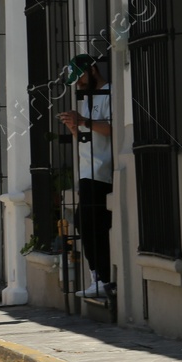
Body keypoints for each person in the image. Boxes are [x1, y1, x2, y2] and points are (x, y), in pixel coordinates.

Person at [57, 53, 113, 296]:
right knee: (85, 223)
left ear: (92, 70)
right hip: (87, 170)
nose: (79, 84)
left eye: (80, 78)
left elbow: (111, 127)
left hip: (102, 171)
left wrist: (84, 121)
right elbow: (84, 136)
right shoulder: (86, 98)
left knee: (91, 223)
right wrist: (74, 126)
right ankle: (98, 277)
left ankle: (102, 278)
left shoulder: (110, 92)